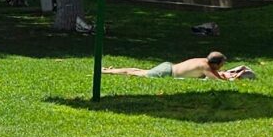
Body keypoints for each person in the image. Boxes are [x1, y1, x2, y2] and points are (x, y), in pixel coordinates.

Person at [103, 52, 252, 80]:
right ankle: (108, 72)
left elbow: (218, 75)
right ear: (216, 63)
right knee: (136, 73)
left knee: (138, 70)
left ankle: (110, 70)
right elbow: (217, 80)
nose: (222, 67)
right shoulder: (205, 67)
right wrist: (235, 77)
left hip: (168, 67)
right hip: (166, 72)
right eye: (222, 65)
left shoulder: (203, 61)